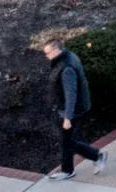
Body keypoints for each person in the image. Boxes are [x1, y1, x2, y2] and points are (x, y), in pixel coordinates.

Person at [38, 33, 106, 180]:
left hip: (71, 110)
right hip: (72, 108)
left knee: (68, 142)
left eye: (47, 53)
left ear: (56, 51)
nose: (46, 56)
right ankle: (69, 168)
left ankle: (95, 157)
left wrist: (68, 117)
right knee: (67, 141)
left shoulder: (66, 68)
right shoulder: (68, 57)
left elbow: (71, 94)